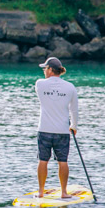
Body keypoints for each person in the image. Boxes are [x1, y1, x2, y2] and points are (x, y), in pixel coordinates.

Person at [35, 57, 78, 198]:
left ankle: (41, 192)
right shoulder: (70, 87)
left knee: (43, 160)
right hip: (62, 131)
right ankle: (64, 192)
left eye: (45, 68)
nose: (44, 71)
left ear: (51, 70)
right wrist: (74, 126)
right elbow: (74, 110)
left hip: (44, 129)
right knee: (63, 161)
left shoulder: (40, 84)